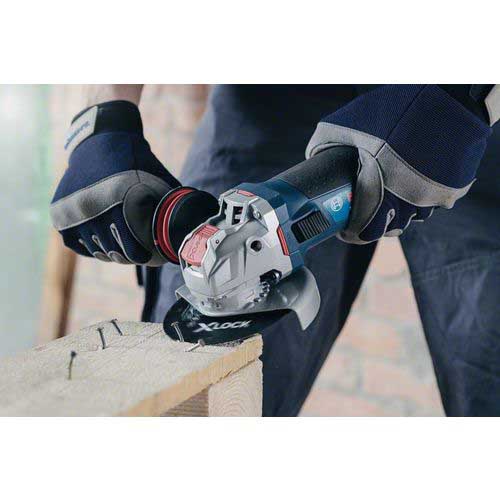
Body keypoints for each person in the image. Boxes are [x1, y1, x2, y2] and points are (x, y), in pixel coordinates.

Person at [50, 84, 500, 416]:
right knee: (189, 390)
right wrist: (102, 121)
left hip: (469, 104)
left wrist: (464, 91)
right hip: (273, 97)